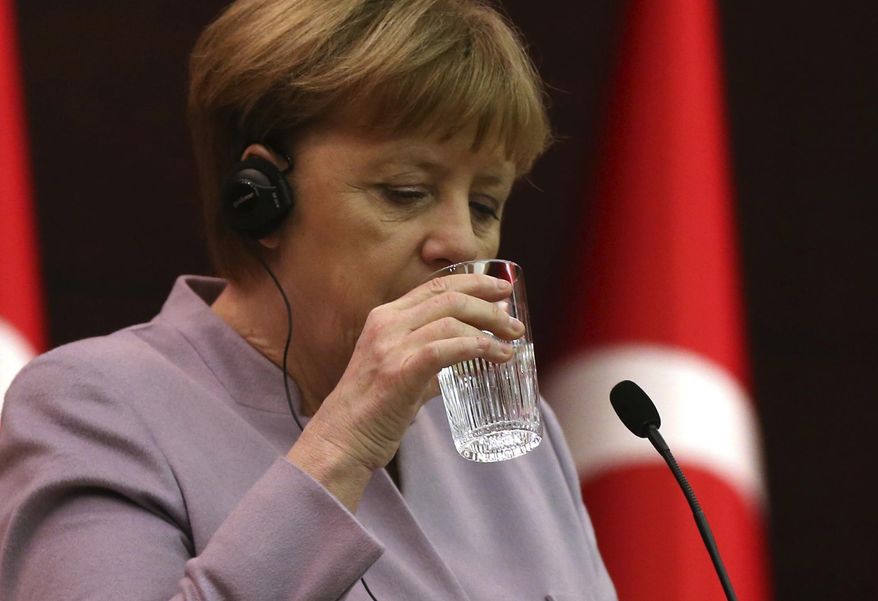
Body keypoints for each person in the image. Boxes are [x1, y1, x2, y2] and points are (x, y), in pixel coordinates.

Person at [0, 1, 617, 599]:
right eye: (405, 191)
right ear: (260, 199)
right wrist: (346, 444)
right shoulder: (95, 406)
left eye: (485, 204)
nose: (459, 240)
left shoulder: (513, 430)